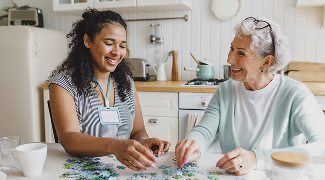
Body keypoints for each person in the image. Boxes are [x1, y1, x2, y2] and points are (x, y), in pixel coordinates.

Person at [175, 16, 325, 175]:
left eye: (241, 53)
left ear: (266, 62)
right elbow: (205, 131)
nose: (229, 59)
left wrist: (257, 159)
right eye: (232, 49)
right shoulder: (225, 90)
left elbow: (322, 146)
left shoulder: (295, 94)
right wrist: (192, 143)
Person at [47, 8, 170, 171]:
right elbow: (69, 139)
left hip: (126, 171)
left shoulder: (126, 82)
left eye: (122, 46)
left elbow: (138, 131)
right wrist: (114, 146)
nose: (116, 52)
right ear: (87, 41)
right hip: (84, 172)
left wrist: (143, 142)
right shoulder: (63, 85)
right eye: (109, 43)